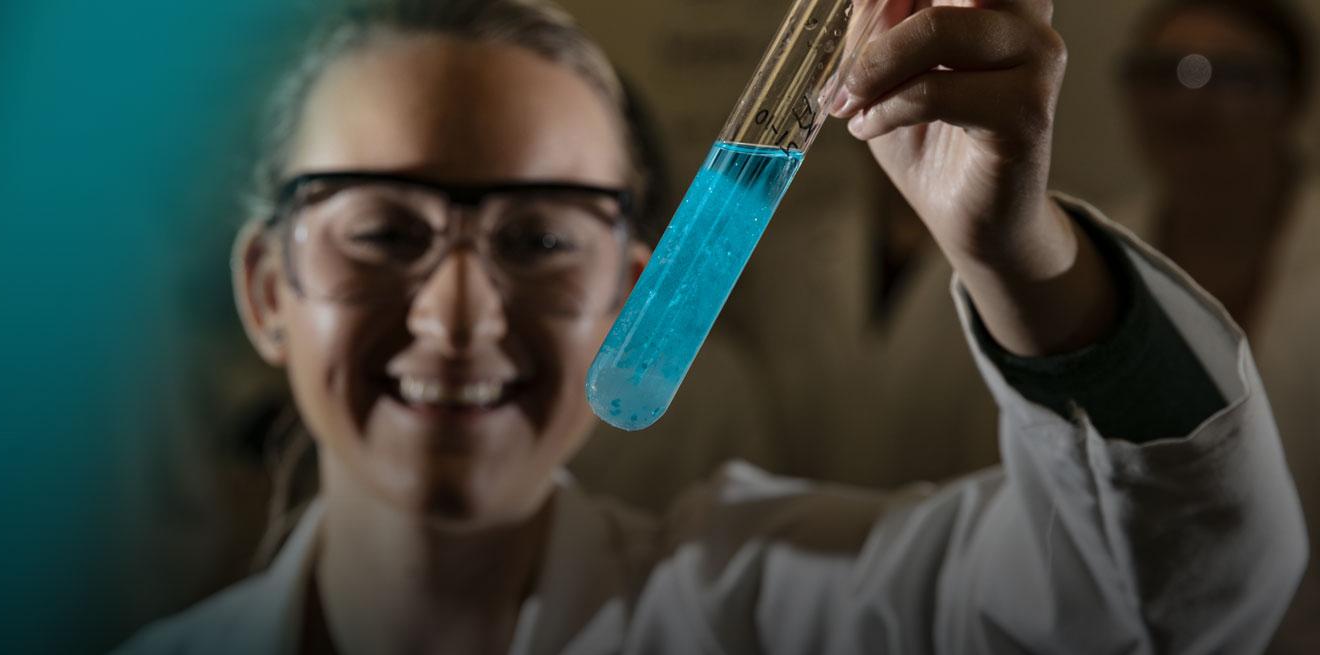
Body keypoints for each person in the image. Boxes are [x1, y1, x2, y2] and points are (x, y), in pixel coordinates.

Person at [118, 0, 1305, 652]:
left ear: (637, 287)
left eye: (539, 237)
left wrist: (1018, 253)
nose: (463, 312)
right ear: (268, 287)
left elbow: (1167, 606)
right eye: (382, 230)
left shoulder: (781, 608)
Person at [1111, 0, 1320, 649]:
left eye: (1230, 75)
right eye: (1163, 72)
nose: (1188, 103)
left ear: (1291, 100)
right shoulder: (1088, 253)